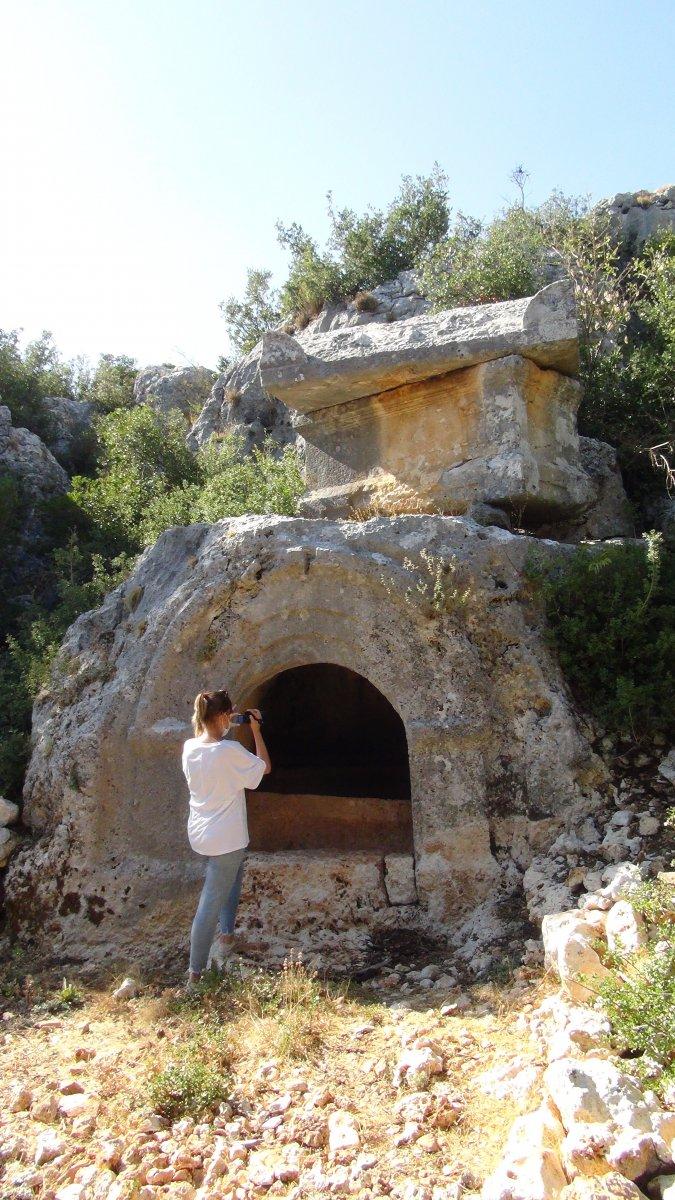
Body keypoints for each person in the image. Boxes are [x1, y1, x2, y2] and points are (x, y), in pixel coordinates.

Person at [182, 688, 271, 990]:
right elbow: (264, 768)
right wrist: (256, 732)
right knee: (210, 902)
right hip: (226, 838)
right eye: (229, 714)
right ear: (222, 716)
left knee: (232, 878)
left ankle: (228, 938)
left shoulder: (190, 747)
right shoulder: (229, 752)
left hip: (201, 832)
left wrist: (228, 720)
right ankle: (195, 976)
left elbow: (211, 732)